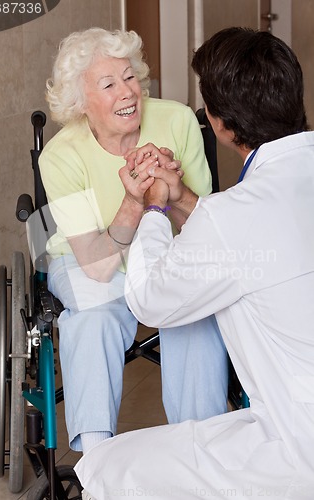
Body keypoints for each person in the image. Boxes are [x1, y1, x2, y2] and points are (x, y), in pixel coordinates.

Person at [74, 27, 314, 499]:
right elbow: (247, 238)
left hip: (299, 443)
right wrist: (182, 197)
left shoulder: (232, 214)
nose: (126, 92)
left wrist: (156, 207)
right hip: (292, 418)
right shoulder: (255, 202)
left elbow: (149, 300)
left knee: (108, 470)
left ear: (219, 124)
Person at [39, 27, 228, 457]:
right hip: (89, 261)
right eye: (108, 84)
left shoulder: (177, 119)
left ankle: (201, 455)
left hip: (171, 250)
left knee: (193, 316)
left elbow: (208, 229)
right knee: (93, 318)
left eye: (129, 77)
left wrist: (173, 190)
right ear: (81, 103)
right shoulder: (61, 155)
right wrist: (133, 201)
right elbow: (97, 266)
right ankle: (97, 461)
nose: (128, 92)